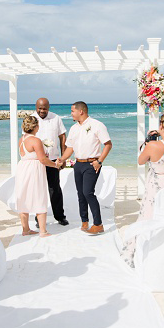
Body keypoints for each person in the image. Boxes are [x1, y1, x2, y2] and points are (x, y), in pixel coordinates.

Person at [120, 112, 164, 267]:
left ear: (162, 126)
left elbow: (141, 160)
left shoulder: (153, 145)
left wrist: (148, 142)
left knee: (151, 215)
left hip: (158, 184)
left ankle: (151, 248)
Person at [58, 101, 112, 235]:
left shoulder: (97, 125)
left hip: (91, 164)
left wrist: (99, 161)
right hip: (78, 164)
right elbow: (70, 147)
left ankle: (98, 224)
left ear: (80, 111)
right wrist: (62, 159)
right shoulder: (74, 128)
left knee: (88, 192)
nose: (71, 113)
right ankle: (84, 221)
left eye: (72, 111)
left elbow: (108, 144)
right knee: (81, 194)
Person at [16, 116, 59, 237]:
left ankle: (25, 230)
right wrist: (55, 165)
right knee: (39, 196)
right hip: (34, 170)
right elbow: (43, 160)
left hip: (23, 169)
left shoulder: (21, 139)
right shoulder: (36, 140)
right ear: (36, 127)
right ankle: (43, 231)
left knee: (23, 197)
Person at [33, 97, 68, 226]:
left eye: (44, 108)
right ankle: (39, 219)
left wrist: (64, 157)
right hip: (37, 161)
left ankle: (60, 216)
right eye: (39, 108)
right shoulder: (31, 118)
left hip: (53, 160)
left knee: (55, 189)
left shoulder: (56, 118)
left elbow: (62, 136)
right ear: (36, 107)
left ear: (49, 107)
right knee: (39, 190)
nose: (42, 111)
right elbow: (26, 138)